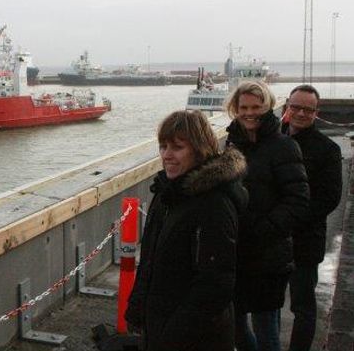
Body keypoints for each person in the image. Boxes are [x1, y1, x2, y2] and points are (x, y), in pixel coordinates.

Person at [125, 110, 248, 351]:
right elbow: (149, 260)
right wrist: (137, 307)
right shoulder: (166, 195)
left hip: (195, 338)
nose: (166, 155)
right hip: (161, 325)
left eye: (177, 147)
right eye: (163, 146)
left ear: (200, 149)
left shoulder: (214, 203)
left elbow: (215, 284)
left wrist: (172, 337)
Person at [225, 81, 310, 351]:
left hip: (269, 257)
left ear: (268, 107)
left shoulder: (284, 147)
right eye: (244, 107)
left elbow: (298, 201)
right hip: (235, 255)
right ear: (235, 110)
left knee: (267, 334)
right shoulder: (231, 146)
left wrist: (262, 231)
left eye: (256, 107)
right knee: (235, 331)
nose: (250, 113)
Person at [282, 85, 342, 351]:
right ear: (287, 106)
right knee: (265, 303)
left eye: (308, 109)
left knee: (303, 307)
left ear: (316, 113)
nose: (301, 113)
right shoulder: (273, 139)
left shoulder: (327, 149)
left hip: (305, 241)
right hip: (271, 239)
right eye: (296, 107)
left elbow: (329, 199)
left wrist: (290, 218)